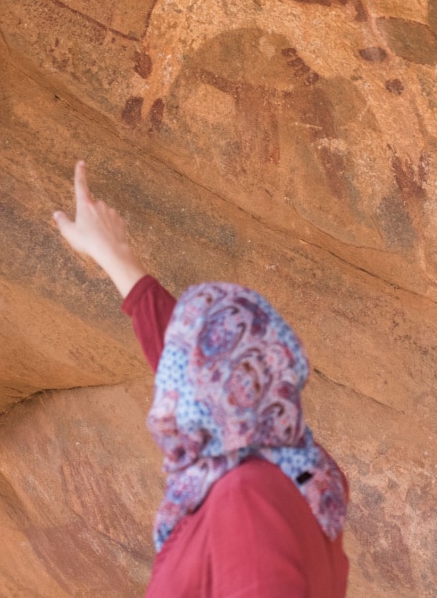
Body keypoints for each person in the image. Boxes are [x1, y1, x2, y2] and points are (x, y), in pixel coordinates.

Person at [54, 160, 350, 597]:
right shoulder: (303, 466)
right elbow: (204, 364)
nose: (166, 393)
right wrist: (114, 256)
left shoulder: (246, 497)